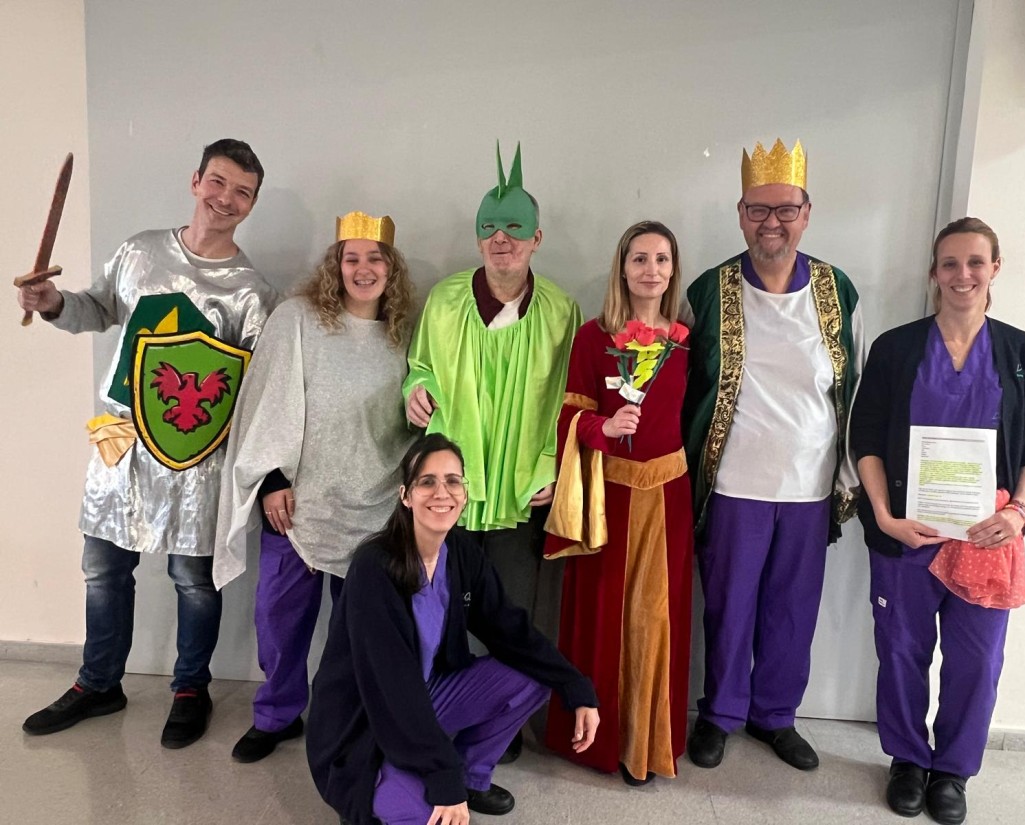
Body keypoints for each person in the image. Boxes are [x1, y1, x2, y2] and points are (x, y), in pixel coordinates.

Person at [18, 139, 276, 748]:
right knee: (103, 568)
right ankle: (98, 684)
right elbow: (97, 308)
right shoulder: (140, 251)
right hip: (122, 441)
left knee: (194, 578)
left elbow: (251, 389)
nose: (226, 199)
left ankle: (190, 689)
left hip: (196, 456)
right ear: (196, 181)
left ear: (251, 204)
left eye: (242, 192)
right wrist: (54, 303)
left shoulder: (251, 291)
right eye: (218, 182)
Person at [849, 217, 1025, 825]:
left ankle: (953, 771)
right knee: (901, 650)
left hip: (987, 538)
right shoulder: (896, 348)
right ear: (933, 272)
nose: (962, 275)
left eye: (974, 262)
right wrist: (884, 515)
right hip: (907, 535)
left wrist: (1019, 511)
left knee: (977, 660)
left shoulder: (1023, 353)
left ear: (995, 268)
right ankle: (908, 761)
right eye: (949, 263)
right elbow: (866, 438)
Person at [306, 434, 600, 825]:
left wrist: (574, 684)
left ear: (464, 494)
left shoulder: (460, 552)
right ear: (405, 496)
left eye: (452, 481)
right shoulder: (373, 567)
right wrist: (440, 776)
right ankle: (398, 783)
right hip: (368, 722)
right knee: (429, 815)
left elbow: (510, 629)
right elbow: (391, 686)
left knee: (533, 674)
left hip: (425, 697)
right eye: (427, 481)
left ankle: (469, 777)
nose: (441, 492)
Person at [683, 138, 864, 771]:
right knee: (729, 607)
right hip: (734, 481)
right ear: (740, 214)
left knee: (792, 609)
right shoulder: (709, 290)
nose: (772, 222)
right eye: (758, 209)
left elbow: (854, 389)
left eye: (786, 209)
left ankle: (775, 715)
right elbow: (687, 388)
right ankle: (721, 713)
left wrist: (848, 478)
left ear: (806, 214)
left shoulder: (838, 290)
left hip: (810, 483)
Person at [213, 209, 417, 762]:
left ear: (392, 268)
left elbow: (415, 410)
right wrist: (272, 479)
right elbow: (266, 402)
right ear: (335, 264)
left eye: (375, 258)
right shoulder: (298, 319)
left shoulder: (404, 334)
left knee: (360, 632)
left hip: (375, 503)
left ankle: (348, 719)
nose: (363, 269)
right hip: (298, 502)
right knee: (279, 622)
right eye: (351, 258)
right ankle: (276, 716)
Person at [403, 143, 582, 760]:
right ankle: (442, 716)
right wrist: (415, 389)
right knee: (442, 606)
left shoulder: (560, 311)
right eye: (489, 227)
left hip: (518, 488)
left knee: (508, 608)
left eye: (514, 227)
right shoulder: (445, 300)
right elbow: (419, 366)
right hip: (448, 490)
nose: (500, 238)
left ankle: (499, 723)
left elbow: (569, 398)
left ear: (537, 238)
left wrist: (550, 467)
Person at [543, 221, 692, 786]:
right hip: (610, 495)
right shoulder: (593, 336)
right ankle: (601, 742)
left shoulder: (686, 342)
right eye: (639, 259)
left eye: (661, 259)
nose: (651, 269)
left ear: (673, 270)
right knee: (605, 615)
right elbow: (568, 415)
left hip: (669, 495)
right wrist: (603, 427)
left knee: (658, 617)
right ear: (622, 268)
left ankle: (648, 743)